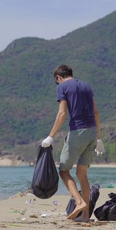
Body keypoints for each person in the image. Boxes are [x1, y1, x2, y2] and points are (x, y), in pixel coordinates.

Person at [41, 65, 104, 221]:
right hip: (91, 132)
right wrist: (99, 138)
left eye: (57, 82)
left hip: (78, 131)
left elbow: (62, 113)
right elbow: (96, 112)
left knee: (64, 171)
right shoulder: (86, 86)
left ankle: (79, 202)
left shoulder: (63, 87)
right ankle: (85, 216)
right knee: (82, 174)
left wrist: (50, 136)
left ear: (59, 78)